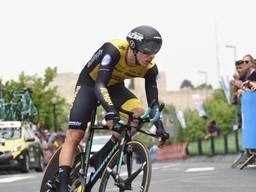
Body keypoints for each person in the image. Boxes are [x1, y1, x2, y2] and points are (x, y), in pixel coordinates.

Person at [57, 25, 169, 192]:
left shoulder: (150, 68)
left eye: (155, 52)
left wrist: (159, 126)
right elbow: (99, 85)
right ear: (133, 48)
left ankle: (103, 154)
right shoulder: (113, 50)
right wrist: (111, 112)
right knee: (75, 134)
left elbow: (153, 104)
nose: (151, 56)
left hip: (115, 87)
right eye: (147, 51)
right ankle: (62, 184)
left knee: (137, 115)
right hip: (90, 84)